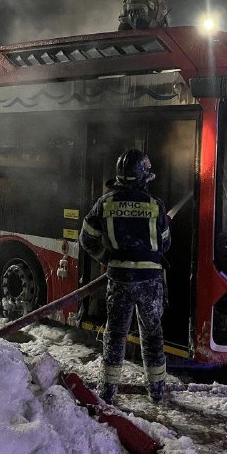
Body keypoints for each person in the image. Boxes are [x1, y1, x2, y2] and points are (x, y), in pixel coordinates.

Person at [80, 149, 172, 404]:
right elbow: (165, 245)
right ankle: (157, 391)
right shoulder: (155, 206)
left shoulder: (105, 203)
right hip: (149, 283)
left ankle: (107, 392)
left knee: (115, 335)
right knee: (152, 335)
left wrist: (106, 258)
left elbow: (86, 238)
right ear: (142, 176)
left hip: (119, 280)